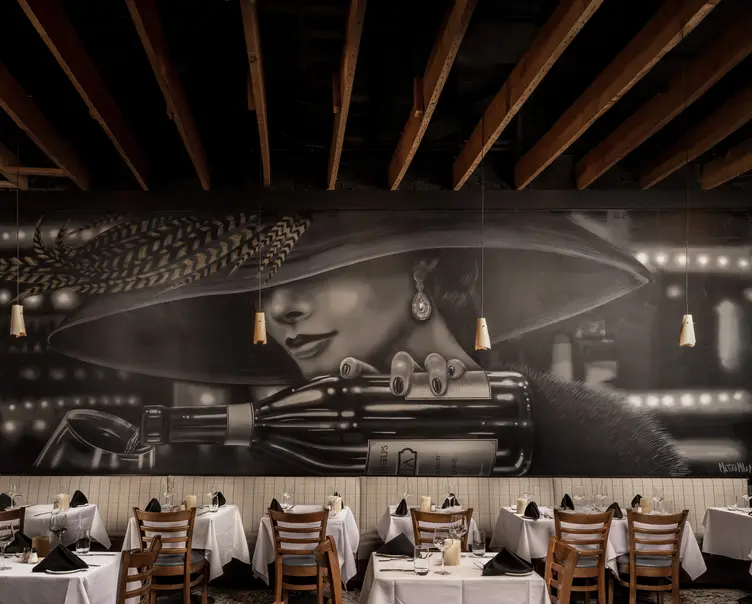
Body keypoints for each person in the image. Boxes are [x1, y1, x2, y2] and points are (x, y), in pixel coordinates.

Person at [43, 209, 687, 475]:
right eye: (267, 286)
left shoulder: (589, 436)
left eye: (316, 275)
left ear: (422, 271)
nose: (281, 306)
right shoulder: (276, 453)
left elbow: (647, 484)